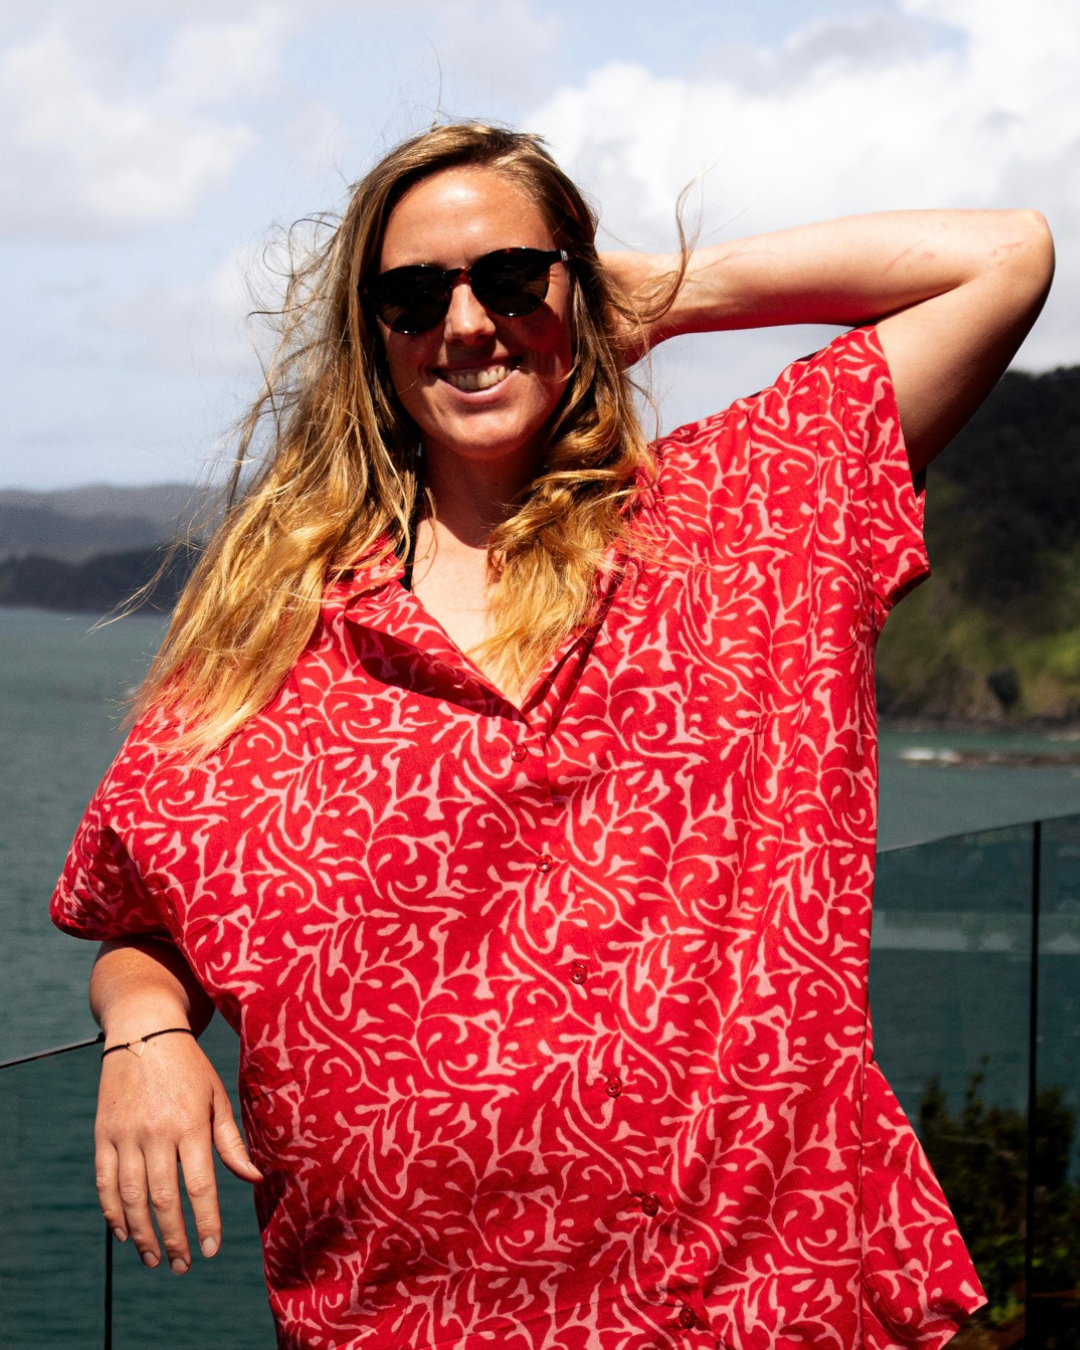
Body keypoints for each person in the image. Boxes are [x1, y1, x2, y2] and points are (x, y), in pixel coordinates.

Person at [51, 122, 1053, 1350]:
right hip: (399, 1321)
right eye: (413, 296)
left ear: (581, 285)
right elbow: (139, 909)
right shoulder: (271, 628)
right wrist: (146, 1034)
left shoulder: (751, 517)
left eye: (513, 279)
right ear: (372, 340)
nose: (465, 324)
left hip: (754, 1310)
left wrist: (663, 292)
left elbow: (1005, 257)